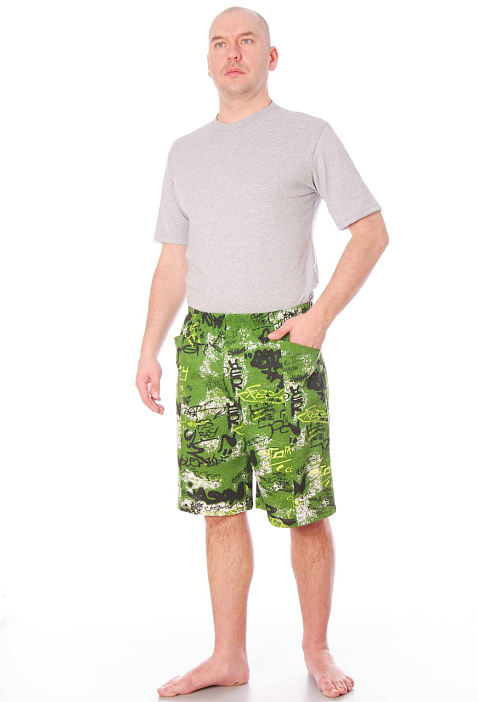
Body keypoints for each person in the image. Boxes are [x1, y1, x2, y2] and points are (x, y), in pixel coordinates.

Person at [136, 5, 389, 698]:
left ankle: (317, 648)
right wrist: (149, 349)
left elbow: (370, 231)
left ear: (270, 57)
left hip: (281, 345)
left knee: (303, 506)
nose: (233, 53)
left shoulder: (309, 136)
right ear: (207, 60)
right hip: (204, 346)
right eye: (219, 43)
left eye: (247, 41)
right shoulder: (184, 152)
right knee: (218, 506)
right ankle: (228, 656)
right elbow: (173, 261)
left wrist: (319, 318)